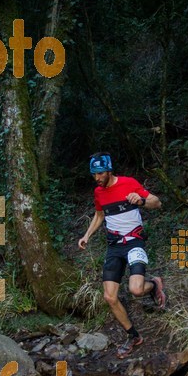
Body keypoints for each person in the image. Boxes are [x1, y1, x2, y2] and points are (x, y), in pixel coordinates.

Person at [78, 152, 166, 359]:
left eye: (100, 173)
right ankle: (134, 336)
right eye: (94, 174)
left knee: (136, 289)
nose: (97, 178)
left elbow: (157, 203)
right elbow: (100, 215)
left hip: (135, 242)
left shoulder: (128, 183)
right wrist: (86, 235)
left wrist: (141, 201)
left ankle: (153, 284)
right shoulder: (99, 192)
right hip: (114, 247)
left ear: (109, 170)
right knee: (110, 296)